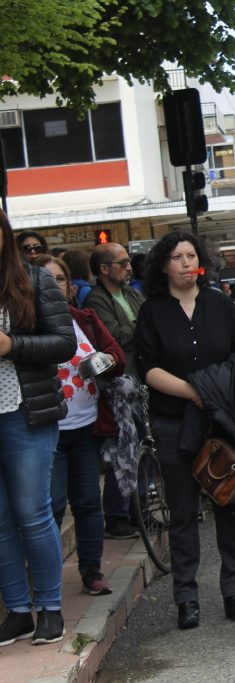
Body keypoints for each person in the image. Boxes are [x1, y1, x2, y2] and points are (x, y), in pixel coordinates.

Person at [135, 232, 235, 629]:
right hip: (172, 420)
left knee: (227, 502)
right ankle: (186, 598)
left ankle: (233, 592)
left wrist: (213, 392)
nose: (186, 263)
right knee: (183, 512)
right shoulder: (152, 310)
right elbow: (147, 367)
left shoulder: (220, 303)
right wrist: (193, 391)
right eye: (176, 257)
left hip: (221, 419)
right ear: (163, 265)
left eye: (191, 255)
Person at [0, 209, 76, 646]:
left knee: (32, 512)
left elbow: (64, 343)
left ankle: (49, 607)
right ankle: (16, 610)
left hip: (24, 412)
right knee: (1, 520)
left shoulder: (33, 279)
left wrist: (13, 345)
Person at [34, 255, 125, 597]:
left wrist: (101, 362)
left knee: (87, 502)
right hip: (47, 432)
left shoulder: (84, 319)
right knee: (53, 505)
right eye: (45, 278)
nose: (53, 285)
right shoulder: (25, 328)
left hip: (87, 428)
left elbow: (117, 355)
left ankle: (92, 571)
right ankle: (47, 581)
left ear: (70, 287)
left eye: (59, 279)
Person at [83, 242, 144, 540]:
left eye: (129, 261)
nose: (129, 267)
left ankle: (139, 510)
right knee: (120, 450)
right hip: (117, 385)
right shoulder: (95, 300)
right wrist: (141, 327)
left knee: (141, 445)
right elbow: (112, 337)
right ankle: (118, 516)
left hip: (141, 380)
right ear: (104, 269)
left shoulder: (132, 293)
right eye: (122, 262)